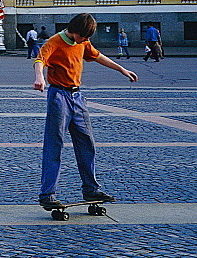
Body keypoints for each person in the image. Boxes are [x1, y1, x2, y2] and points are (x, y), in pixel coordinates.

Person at [33, 13, 137, 210]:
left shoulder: (82, 42)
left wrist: (122, 69)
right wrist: (40, 78)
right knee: (54, 145)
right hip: (59, 97)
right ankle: (47, 194)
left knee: (86, 144)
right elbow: (40, 60)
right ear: (74, 32)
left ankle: (91, 189)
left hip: (77, 97)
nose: (87, 41)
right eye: (84, 36)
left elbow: (98, 56)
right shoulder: (55, 41)